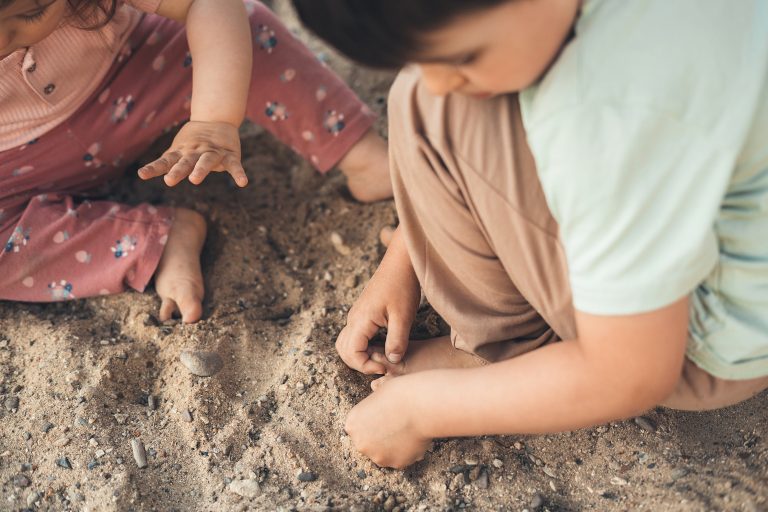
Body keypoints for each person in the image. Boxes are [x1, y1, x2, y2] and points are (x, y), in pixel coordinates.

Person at [293, 0, 768, 468]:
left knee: (432, 110)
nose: (439, 78)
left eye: (463, 56)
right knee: (432, 98)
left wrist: (420, 410)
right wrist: (411, 252)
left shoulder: (604, 116)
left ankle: (507, 352)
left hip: (703, 347)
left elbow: (632, 373)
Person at [0, 0, 391, 323]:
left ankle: (358, 153)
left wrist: (214, 119)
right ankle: (150, 240)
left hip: (138, 75)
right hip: (25, 166)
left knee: (247, 30)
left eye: (30, 13)